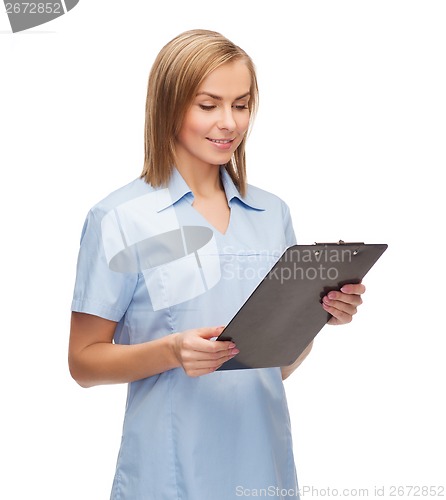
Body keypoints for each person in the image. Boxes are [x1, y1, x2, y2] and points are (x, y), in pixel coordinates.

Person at [69, 29, 365, 500]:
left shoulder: (273, 214)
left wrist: (319, 316)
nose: (228, 122)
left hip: (262, 468)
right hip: (168, 474)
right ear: (168, 107)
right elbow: (83, 363)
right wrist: (171, 352)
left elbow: (277, 366)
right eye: (208, 105)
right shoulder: (120, 218)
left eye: (241, 105)